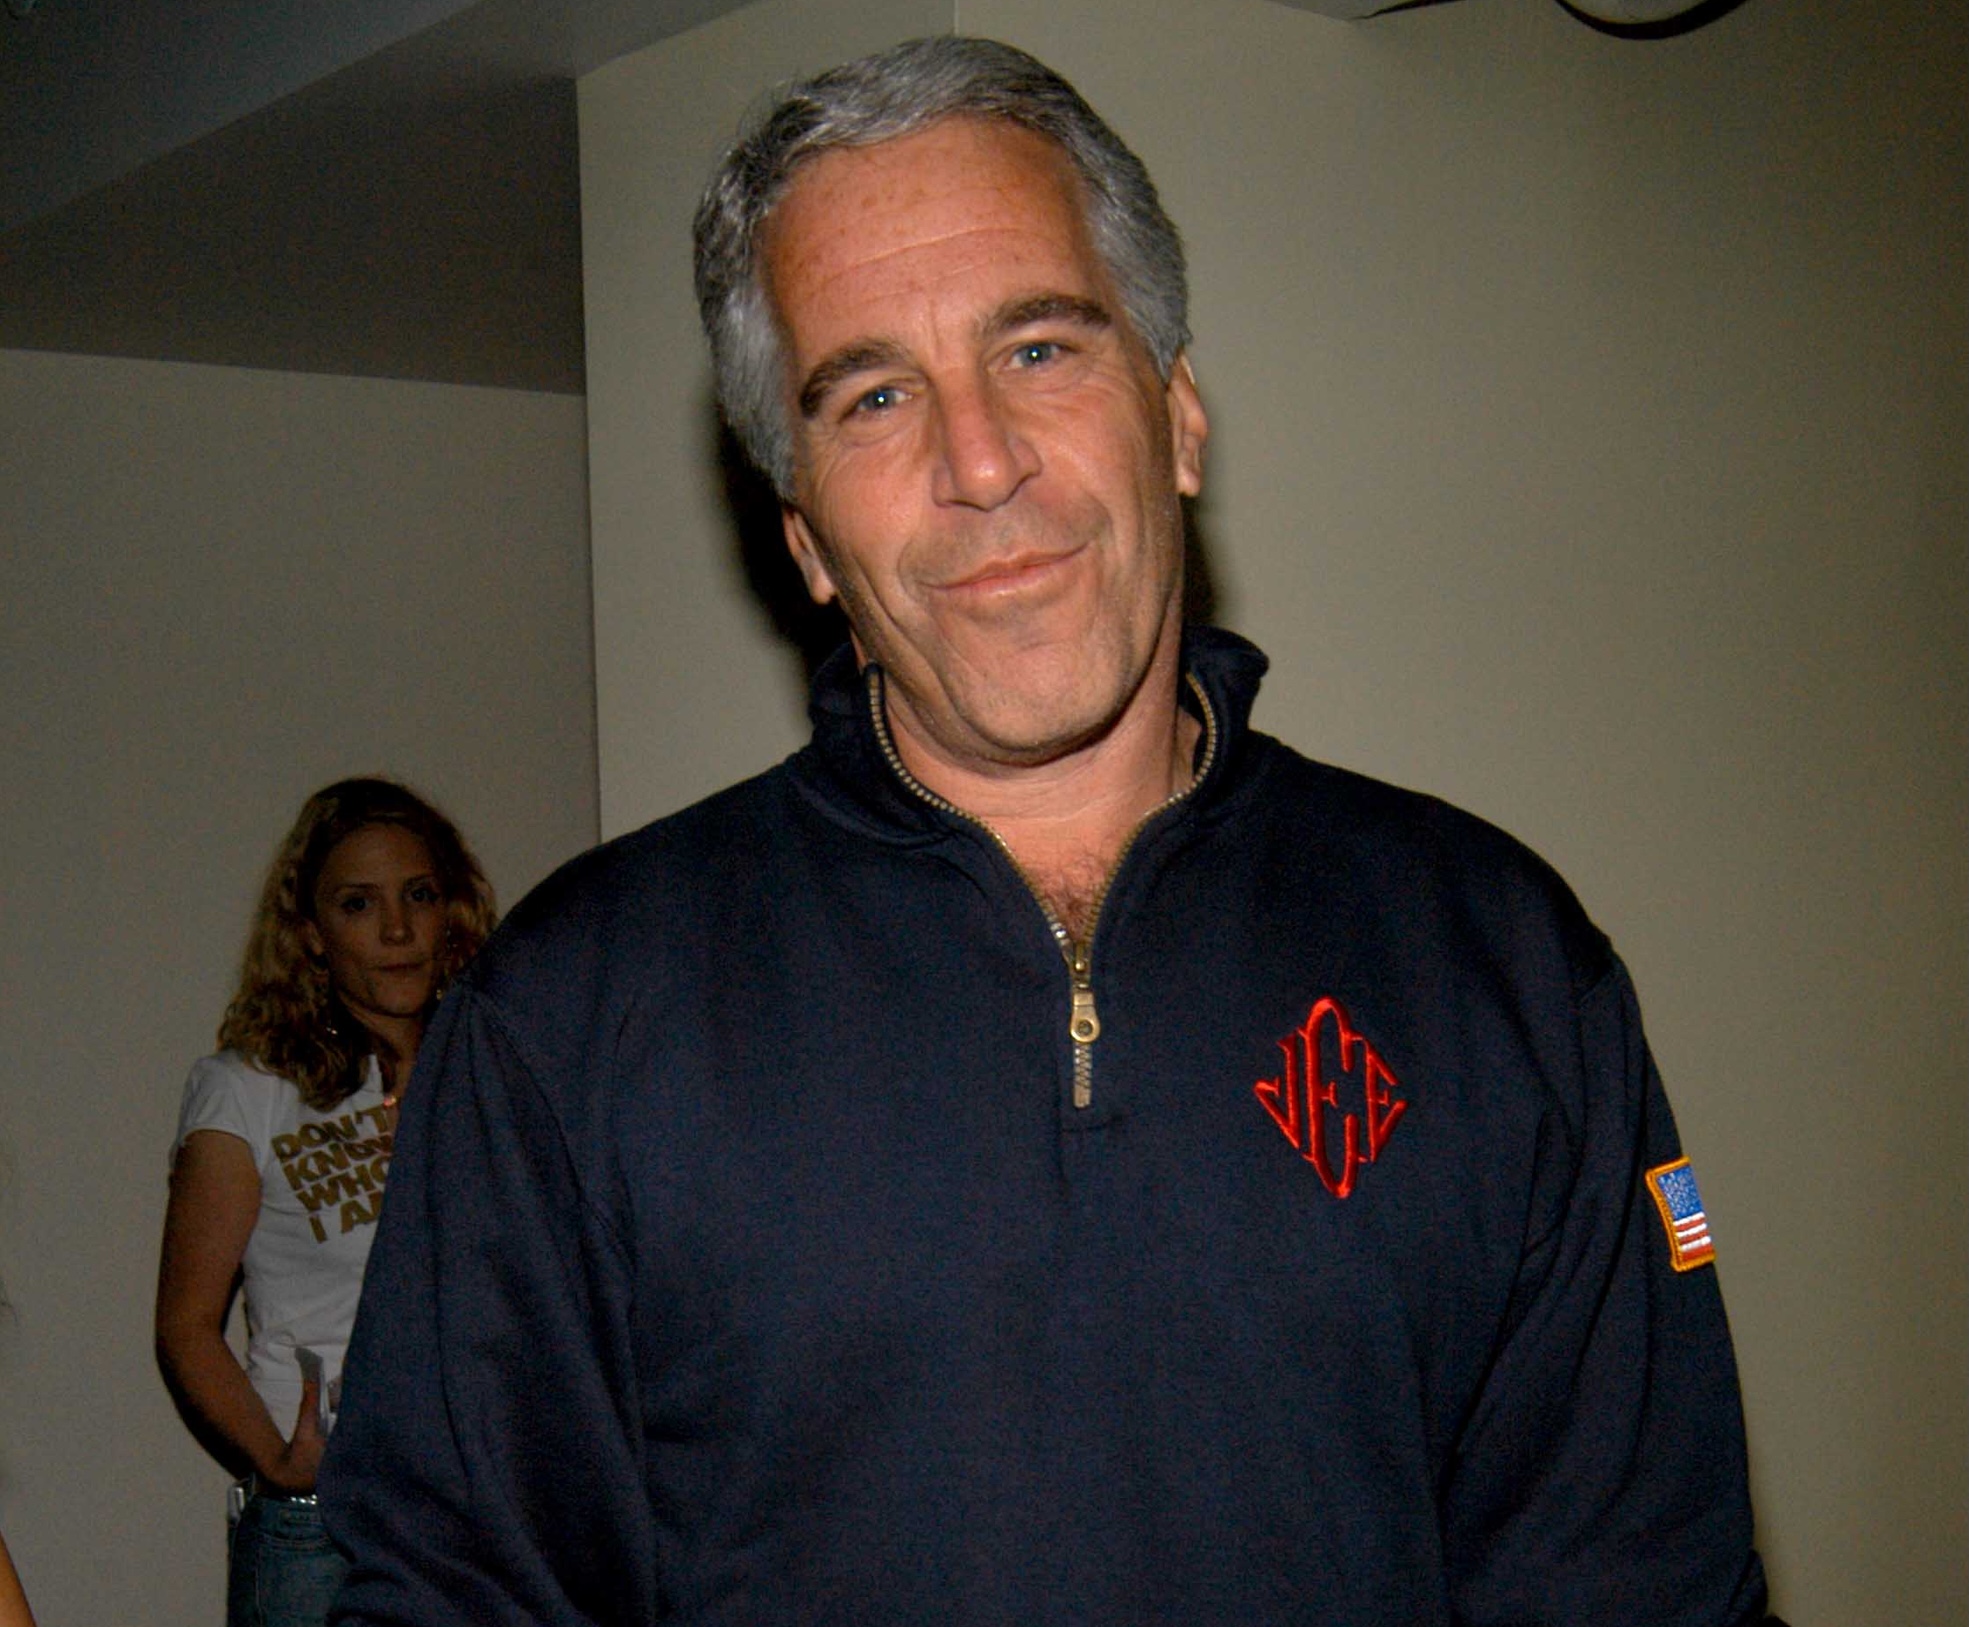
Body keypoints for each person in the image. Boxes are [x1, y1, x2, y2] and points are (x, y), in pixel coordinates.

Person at [323, 37, 1778, 1627]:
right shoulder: (566, 1021)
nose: (979, 462)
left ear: (1179, 418)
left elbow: (1646, 1584)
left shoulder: (1494, 957)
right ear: (807, 537)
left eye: (1037, 348)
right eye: (875, 396)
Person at [155, 778, 495, 1627]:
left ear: (452, 910)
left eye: (419, 895)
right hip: (323, 1525)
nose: (397, 930)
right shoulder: (248, 1089)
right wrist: (279, 1460)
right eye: (358, 903)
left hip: (484, 1514)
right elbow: (187, 1324)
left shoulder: (493, 1073)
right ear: (310, 931)